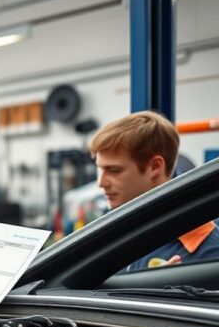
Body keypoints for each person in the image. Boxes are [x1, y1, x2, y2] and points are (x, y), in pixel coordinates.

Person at [90, 110, 219, 271]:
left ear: (155, 167)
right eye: (101, 169)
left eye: (114, 170)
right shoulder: (112, 229)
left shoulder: (206, 252)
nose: (101, 183)